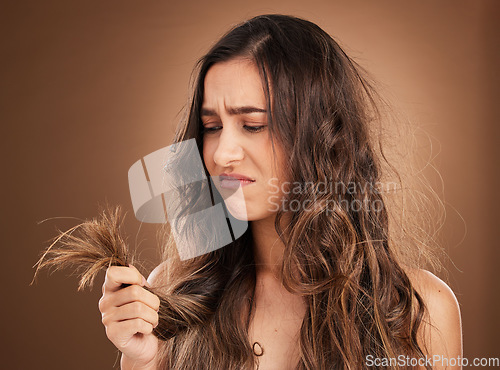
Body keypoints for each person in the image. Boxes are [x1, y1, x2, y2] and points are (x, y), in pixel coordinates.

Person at [40, 14, 463, 369]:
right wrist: (141, 359)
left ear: (321, 137)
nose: (222, 153)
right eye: (211, 127)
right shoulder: (170, 294)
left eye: (253, 125)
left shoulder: (418, 309)